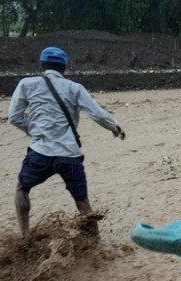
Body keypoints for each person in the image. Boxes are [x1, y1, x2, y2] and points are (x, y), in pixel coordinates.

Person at [8, 46, 126, 237]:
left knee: (22, 189)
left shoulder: (26, 84)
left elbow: (14, 117)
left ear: (42, 65)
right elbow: (97, 114)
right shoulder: (74, 87)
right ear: (64, 68)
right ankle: (95, 247)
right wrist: (116, 128)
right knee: (83, 203)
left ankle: (24, 236)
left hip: (40, 153)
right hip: (69, 155)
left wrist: (36, 131)